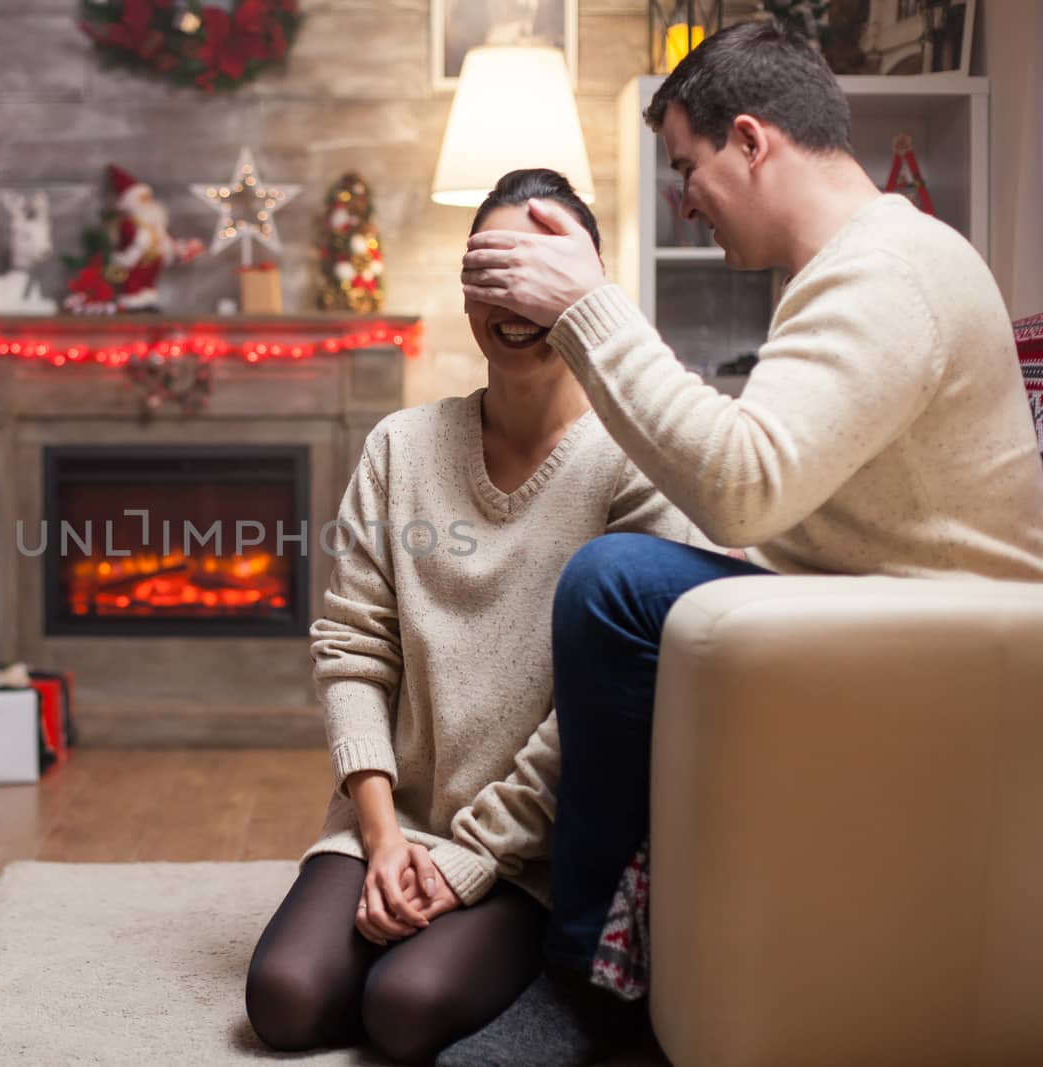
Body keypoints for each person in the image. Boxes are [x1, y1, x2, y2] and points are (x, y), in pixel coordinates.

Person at [450, 21, 1043, 1067]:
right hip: (888, 612)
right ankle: (605, 934)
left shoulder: (885, 274)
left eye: (687, 165)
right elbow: (774, 483)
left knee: (613, 583)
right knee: (636, 573)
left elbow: (742, 485)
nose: (684, 197)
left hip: (946, 644)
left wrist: (588, 305)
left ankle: (585, 980)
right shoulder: (860, 264)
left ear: (753, 141)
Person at [243, 169, 705, 1065]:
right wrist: (380, 837)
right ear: (465, 294)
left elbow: (604, 705)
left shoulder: (636, 457)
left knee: (403, 1010)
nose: (513, 297)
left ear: (587, 285)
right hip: (396, 818)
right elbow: (350, 653)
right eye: (490, 271)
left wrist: (471, 860)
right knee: (286, 1000)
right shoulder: (399, 447)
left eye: (538, 269)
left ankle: (539, 977)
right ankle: (399, 889)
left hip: (524, 852)